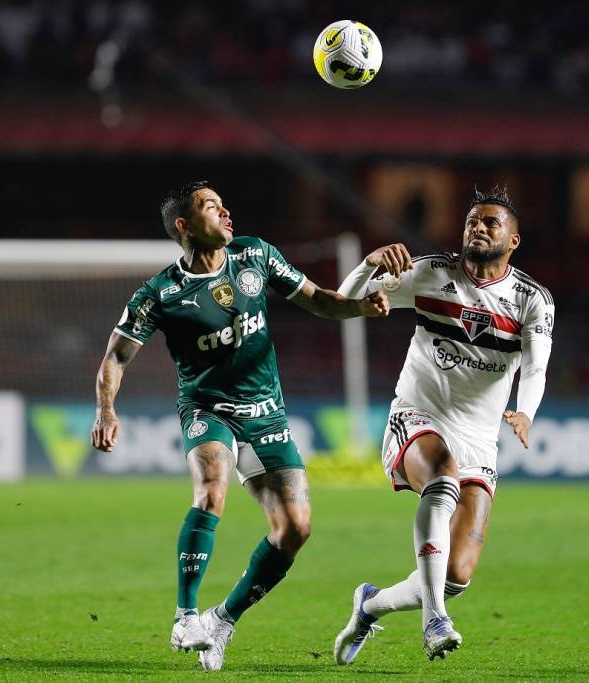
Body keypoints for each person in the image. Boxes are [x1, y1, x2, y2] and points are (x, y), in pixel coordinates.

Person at [90, 180, 389, 672]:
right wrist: (106, 411)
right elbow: (115, 357)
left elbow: (317, 299)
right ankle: (186, 615)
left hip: (266, 410)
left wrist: (359, 305)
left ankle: (223, 619)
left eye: (225, 203)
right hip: (207, 408)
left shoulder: (256, 256)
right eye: (212, 206)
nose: (226, 212)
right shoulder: (160, 293)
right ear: (185, 226)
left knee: (296, 527)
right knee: (211, 489)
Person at [333, 185, 555, 662]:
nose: (478, 227)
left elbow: (536, 367)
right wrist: (369, 265)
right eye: (473, 220)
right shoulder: (432, 273)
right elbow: (343, 302)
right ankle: (434, 620)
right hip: (418, 414)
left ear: (513, 240)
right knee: (441, 479)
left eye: (491, 222)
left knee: (457, 574)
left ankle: (370, 603)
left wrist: (525, 412)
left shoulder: (532, 300)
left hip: (480, 438)